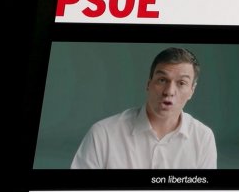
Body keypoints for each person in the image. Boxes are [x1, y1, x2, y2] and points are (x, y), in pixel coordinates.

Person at [71, 47, 217, 169]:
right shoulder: (103, 134)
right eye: (162, 80)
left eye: (181, 83)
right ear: (148, 84)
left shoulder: (203, 137)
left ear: (192, 90)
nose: (169, 91)